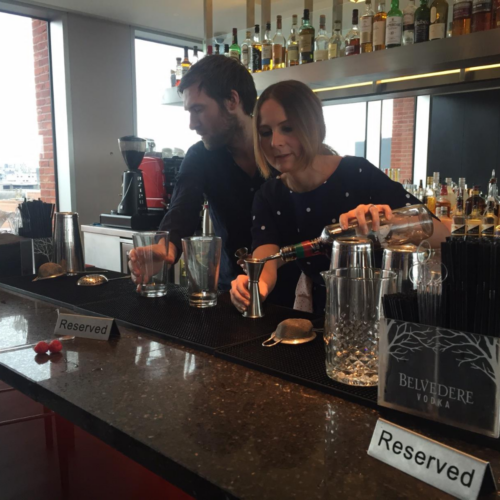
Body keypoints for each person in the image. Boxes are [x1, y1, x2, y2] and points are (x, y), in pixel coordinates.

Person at [230, 80, 449, 315]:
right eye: (265, 132)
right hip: (322, 314)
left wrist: (385, 223)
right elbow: (266, 262)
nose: (275, 142)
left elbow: (442, 236)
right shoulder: (269, 195)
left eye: (287, 128)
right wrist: (253, 288)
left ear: (312, 127)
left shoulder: (357, 173)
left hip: (384, 311)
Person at [128, 56, 300, 303]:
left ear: (232, 100)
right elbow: (183, 207)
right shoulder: (201, 156)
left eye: (198, 110)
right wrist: (166, 248)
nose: (191, 124)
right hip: (232, 295)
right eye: (189, 112)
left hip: (296, 299)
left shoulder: (281, 150)